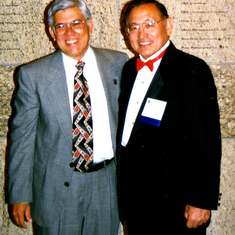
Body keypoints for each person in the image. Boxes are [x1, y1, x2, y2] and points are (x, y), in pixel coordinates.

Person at [8, 0, 128, 234]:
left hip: (106, 186)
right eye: (60, 26)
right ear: (52, 33)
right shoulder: (33, 75)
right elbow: (22, 140)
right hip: (56, 189)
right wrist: (19, 195)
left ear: (90, 25)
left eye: (76, 23)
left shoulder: (118, 63)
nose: (69, 32)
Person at [117, 0, 222, 234]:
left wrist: (202, 200)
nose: (141, 34)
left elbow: (207, 140)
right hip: (136, 204)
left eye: (149, 24)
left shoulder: (192, 70)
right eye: (133, 27)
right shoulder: (128, 71)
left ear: (169, 25)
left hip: (176, 208)